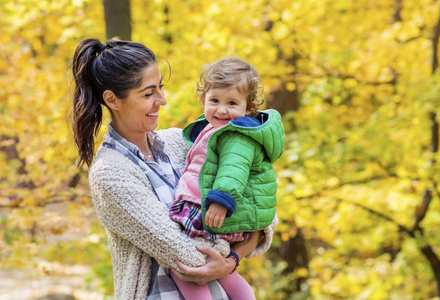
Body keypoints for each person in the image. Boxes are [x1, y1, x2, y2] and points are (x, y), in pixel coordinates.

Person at [70, 38, 278, 300]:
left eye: (160, 88)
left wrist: (232, 259)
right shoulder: (111, 173)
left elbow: (265, 213)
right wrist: (233, 250)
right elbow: (183, 254)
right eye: (148, 93)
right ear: (112, 99)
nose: (163, 100)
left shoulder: (181, 142)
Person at [169, 57, 285, 300]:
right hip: (207, 209)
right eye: (214, 101)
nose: (221, 109)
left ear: (249, 107)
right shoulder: (213, 129)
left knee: (183, 266)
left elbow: (234, 170)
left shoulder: (236, 135)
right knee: (222, 272)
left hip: (208, 212)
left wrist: (221, 200)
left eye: (232, 103)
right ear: (202, 99)